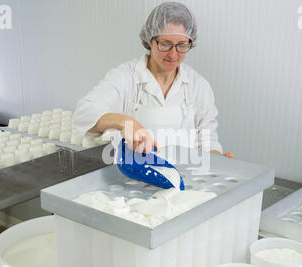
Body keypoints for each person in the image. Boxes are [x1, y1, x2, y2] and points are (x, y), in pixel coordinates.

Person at [73, 2, 233, 158]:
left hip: (185, 181)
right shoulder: (125, 77)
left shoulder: (198, 86)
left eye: (182, 45)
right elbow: (83, 114)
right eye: (165, 44)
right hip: (132, 180)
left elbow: (207, 141)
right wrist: (126, 122)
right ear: (150, 40)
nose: (173, 54)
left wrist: (218, 160)